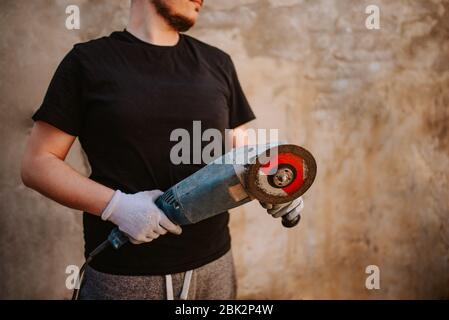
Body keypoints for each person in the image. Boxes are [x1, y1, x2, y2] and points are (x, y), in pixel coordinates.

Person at [21, 0, 304, 300]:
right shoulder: (87, 63)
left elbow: (242, 154)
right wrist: (117, 206)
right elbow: (37, 164)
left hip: (214, 266)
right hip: (124, 276)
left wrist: (270, 182)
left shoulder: (217, 63)